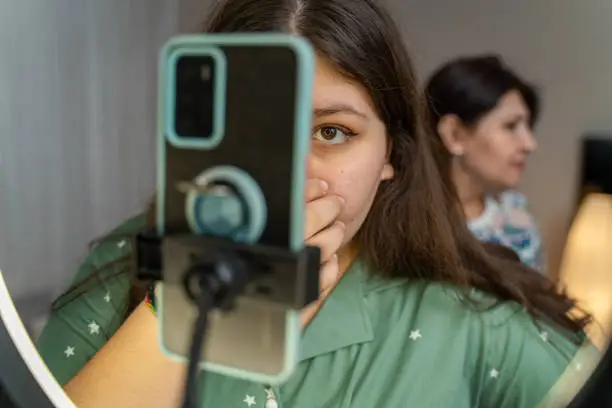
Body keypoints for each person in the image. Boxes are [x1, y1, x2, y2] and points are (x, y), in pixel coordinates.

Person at [36, 1, 599, 407]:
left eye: (331, 133)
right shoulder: (123, 267)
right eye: (257, 127)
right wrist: (190, 296)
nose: (289, 171)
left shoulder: (478, 323)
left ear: (391, 156)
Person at [425, 55, 546, 272]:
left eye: (528, 127)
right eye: (510, 126)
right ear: (454, 134)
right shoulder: (404, 223)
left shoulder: (517, 222)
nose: (529, 144)